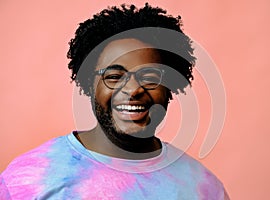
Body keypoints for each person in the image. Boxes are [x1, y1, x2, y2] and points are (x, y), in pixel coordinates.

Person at [0, 3, 230, 199]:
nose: (132, 90)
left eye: (149, 77)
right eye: (114, 76)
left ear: (170, 86)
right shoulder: (27, 181)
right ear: (89, 84)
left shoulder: (205, 189)